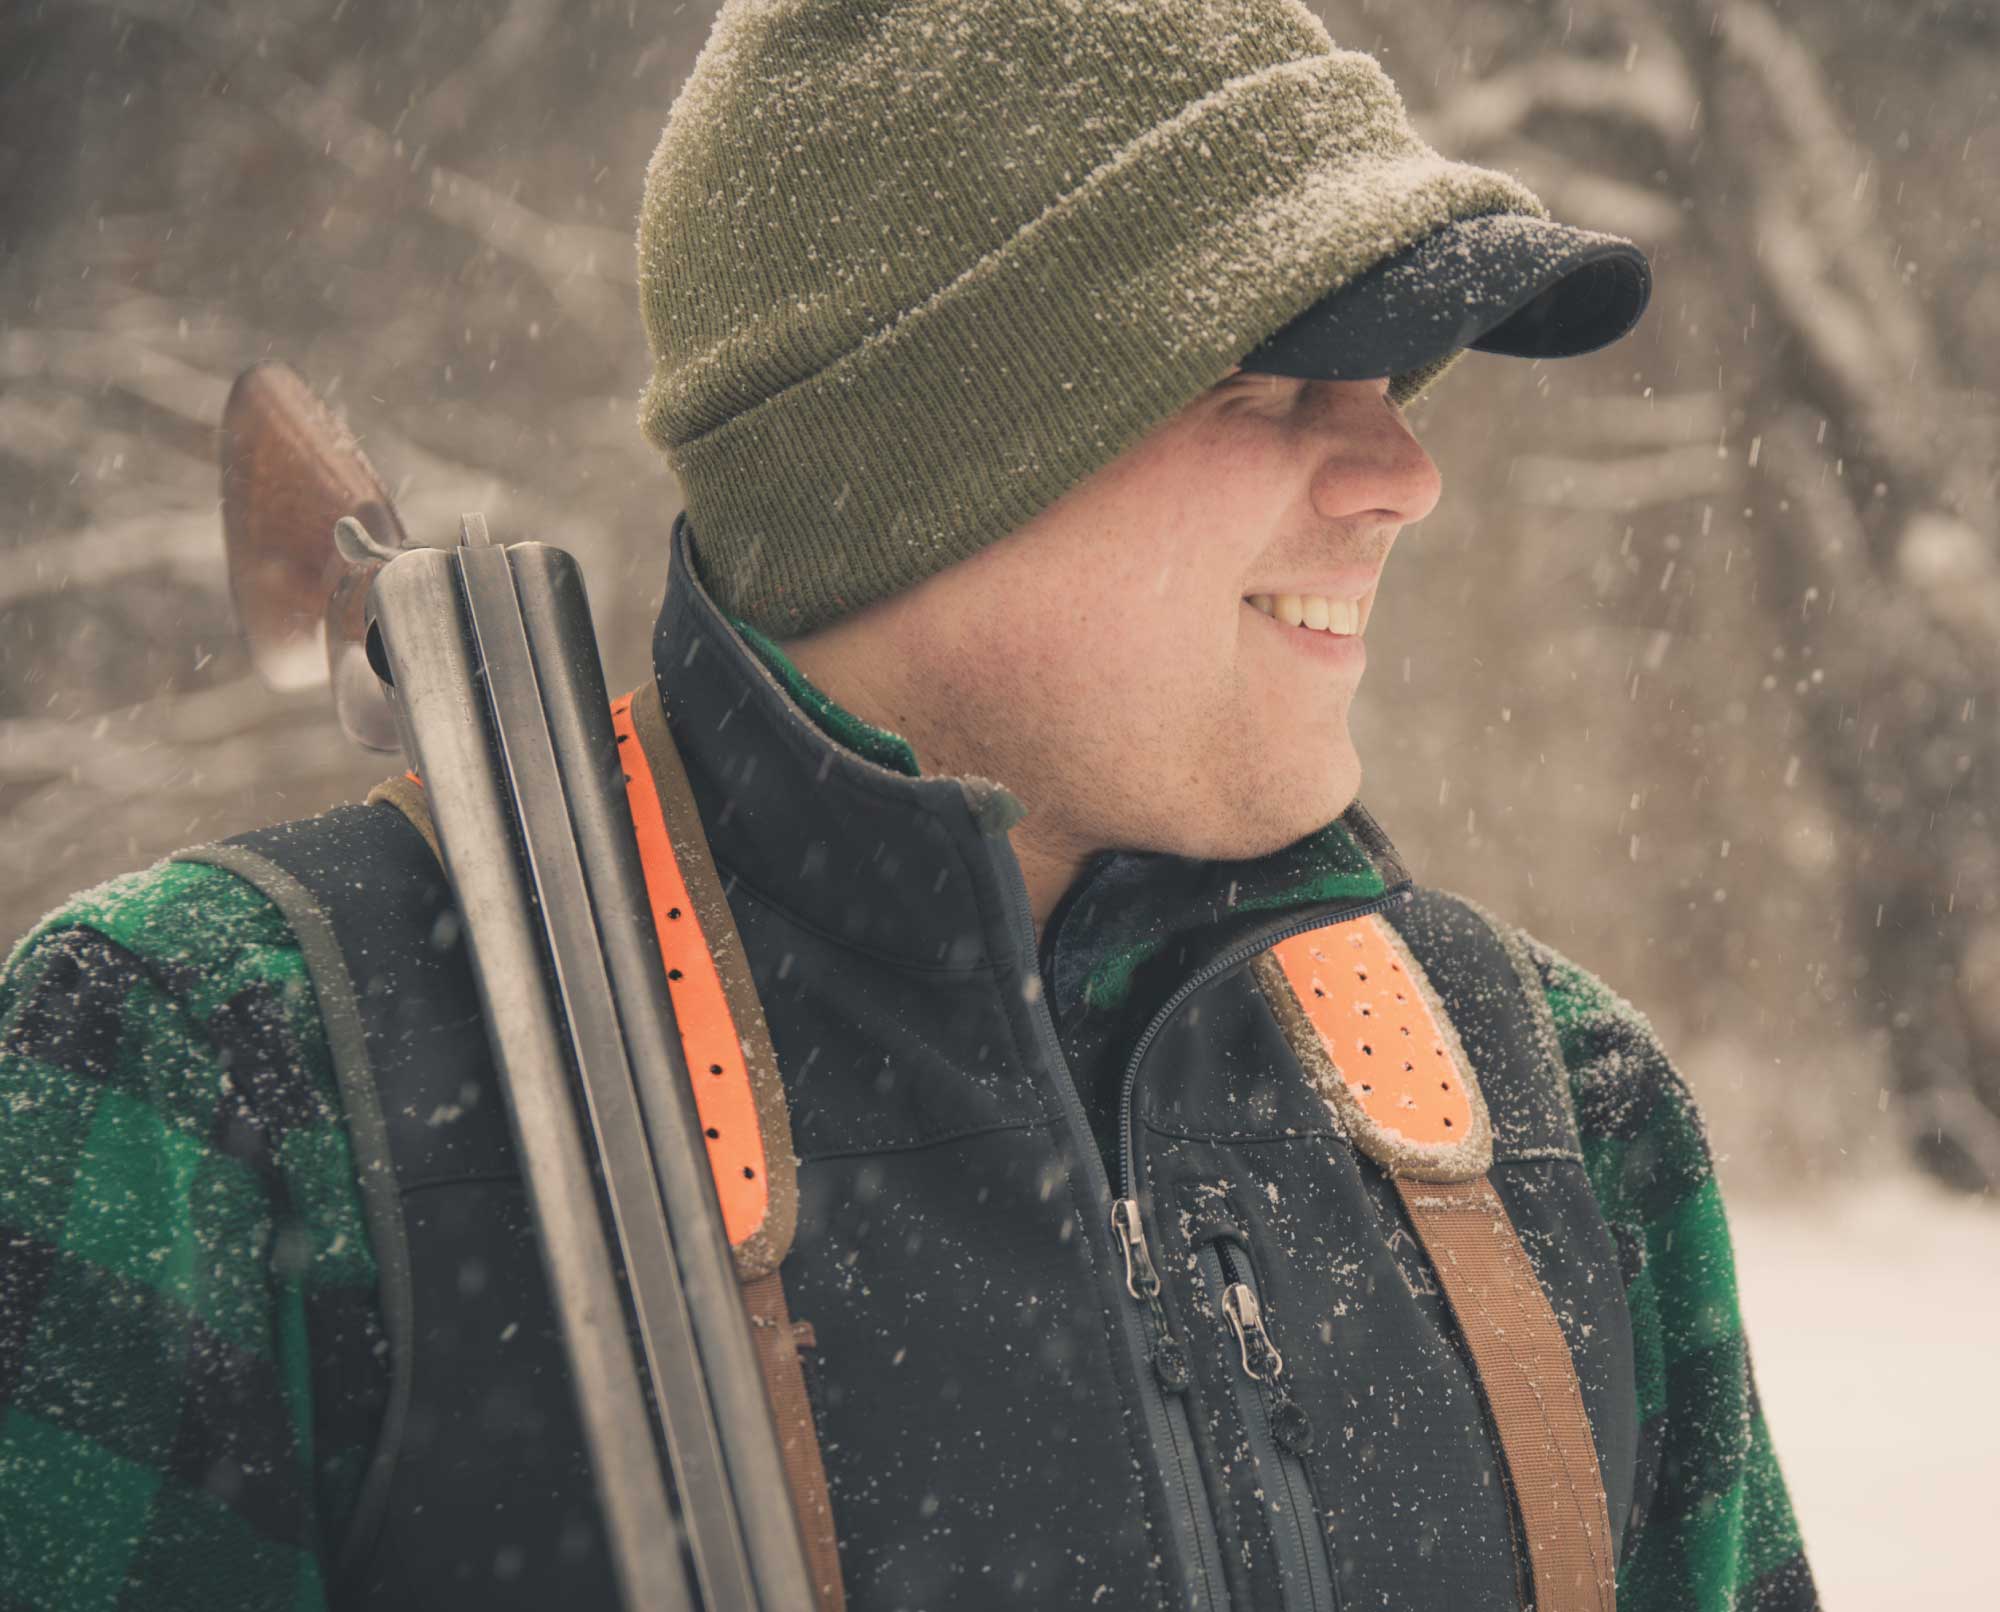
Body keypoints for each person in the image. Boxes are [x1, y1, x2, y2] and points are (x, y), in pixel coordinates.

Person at [0, 1, 1817, 1608]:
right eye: (1271, 380)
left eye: (1392, 383)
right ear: (929, 457)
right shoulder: (217, 1072)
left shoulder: (1557, 1106)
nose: (1405, 474)